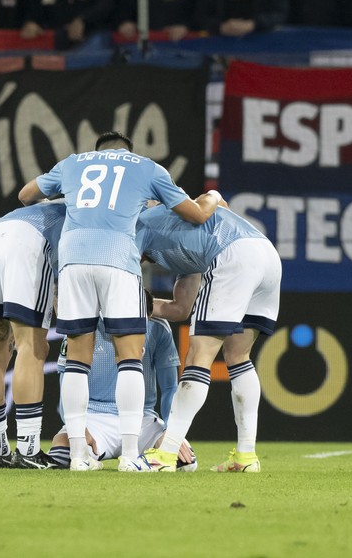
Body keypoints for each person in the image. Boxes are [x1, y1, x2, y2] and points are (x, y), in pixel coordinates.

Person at [18, 131, 220, 472]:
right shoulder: (147, 168)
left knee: (77, 358)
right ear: (128, 152)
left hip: (72, 258)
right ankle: (130, 455)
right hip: (118, 259)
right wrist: (212, 196)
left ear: (97, 151)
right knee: (129, 357)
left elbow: (26, 195)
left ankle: (80, 456)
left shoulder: (72, 164)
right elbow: (197, 216)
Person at [136, 202, 282, 472]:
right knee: (238, 355)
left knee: (198, 356)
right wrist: (142, 305)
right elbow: (181, 308)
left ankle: (165, 455)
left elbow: (214, 197)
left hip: (234, 254)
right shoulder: (182, 241)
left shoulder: (137, 224)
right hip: (267, 256)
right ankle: (246, 457)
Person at [0, 198, 66, 469]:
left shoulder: (59, 199)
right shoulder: (90, 213)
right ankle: (28, 449)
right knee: (33, 347)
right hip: (26, 242)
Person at [50, 301, 197, 471]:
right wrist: (77, 428)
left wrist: (172, 434)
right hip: (93, 417)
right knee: (61, 456)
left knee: (185, 464)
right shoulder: (82, 327)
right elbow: (65, 386)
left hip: (143, 420)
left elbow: (170, 388)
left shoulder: (158, 326)